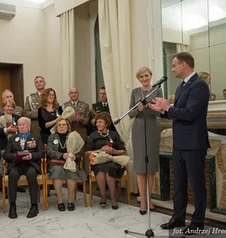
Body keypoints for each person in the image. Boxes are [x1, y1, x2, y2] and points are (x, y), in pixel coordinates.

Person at [149, 52, 210, 235]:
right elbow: (178, 112)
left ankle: (198, 221)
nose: (172, 69)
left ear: (184, 65)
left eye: (174, 65)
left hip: (193, 143)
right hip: (179, 143)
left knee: (197, 184)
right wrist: (163, 111)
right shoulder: (182, 86)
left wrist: (168, 107)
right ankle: (178, 217)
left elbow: (190, 113)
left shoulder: (199, 85)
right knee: (179, 183)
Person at [128, 67, 162, 215]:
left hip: (152, 128)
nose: (144, 78)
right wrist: (139, 109)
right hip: (138, 129)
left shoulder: (157, 90)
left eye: (146, 75)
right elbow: (130, 113)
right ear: (138, 78)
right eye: (141, 76)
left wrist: (149, 107)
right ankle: (142, 200)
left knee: (151, 165)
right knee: (141, 165)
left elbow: (160, 112)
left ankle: (149, 199)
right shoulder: (135, 92)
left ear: (150, 76)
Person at [3, 117, 43, 219]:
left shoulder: (36, 137)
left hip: (30, 164)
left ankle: (34, 205)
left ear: (29, 126)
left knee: (31, 174)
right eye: (19, 125)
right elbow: (6, 154)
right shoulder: (12, 138)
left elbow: (41, 153)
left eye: (24, 124)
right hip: (16, 165)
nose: (21, 126)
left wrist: (31, 156)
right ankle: (12, 205)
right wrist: (16, 155)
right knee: (12, 175)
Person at [85, 112, 126, 210]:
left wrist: (114, 151)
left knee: (109, 167)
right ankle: (103, 197)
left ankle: (112, 198)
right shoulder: (93, 135)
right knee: (102, 168)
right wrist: (100, 150)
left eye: (100, 122)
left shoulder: (113, 134)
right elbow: (87, 153)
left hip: (112, 160)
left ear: (106, 124)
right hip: (98, 161)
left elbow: (123, 150)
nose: (98, 124)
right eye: (97, 122)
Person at [47, 119, 87, 211]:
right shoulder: (52, 137)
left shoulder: (73, 136)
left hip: (71, 162)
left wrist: (75, 157)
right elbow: (49, 151)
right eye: (59, 125)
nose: (62, 127)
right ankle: (60, 201)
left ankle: (70, 201)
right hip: (56, 162)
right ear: (56, 127)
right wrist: (62, 155)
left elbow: (79, 150)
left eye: (64, 125)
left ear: (68, 126)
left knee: (71, 173)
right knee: (57, 171)